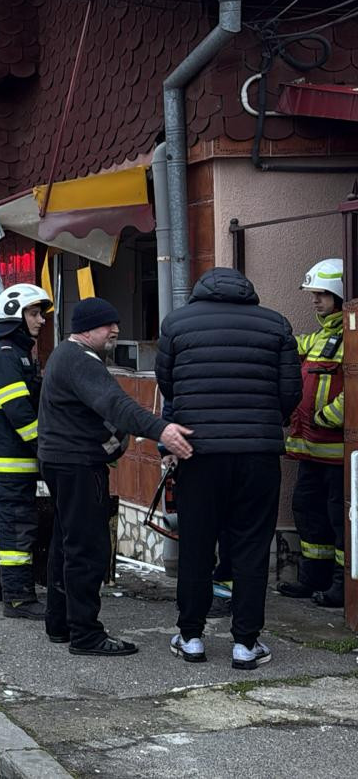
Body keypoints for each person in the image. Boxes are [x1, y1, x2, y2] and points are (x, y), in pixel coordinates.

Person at [157, 268, 300, 670]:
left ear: (200, 291)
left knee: (197, 546)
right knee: (251, 547)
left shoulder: (177, 323)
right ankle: (245, 644)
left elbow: (168, 385)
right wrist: (265, 420)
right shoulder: (275, 324)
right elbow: (290, 391)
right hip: (258, 453)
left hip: (198, 452)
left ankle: (191, 638)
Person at [39, 298, 194, 656]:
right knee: (87, 549)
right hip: (78, 466)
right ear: (86, 329)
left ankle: (61, 623)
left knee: (66, 543)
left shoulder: (65, 355)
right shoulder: (80, 360)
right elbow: (116, 405)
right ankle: (86, 635)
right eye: (108, 325)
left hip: (61, 462)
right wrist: (162, 430)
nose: (115, 331)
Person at [0, 284, 52, 619]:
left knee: (0, 523)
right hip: (13, 460)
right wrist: (45, 448)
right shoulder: (7, 355)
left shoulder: (11, 352)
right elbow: (20, 414)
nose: (41, 320)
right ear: (15, 316)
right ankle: (19, 598)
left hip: (7, 457)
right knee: (17, 527)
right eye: (34, 314)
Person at [281, 258, 348, 609]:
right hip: (311, 451)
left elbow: (354, 391)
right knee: (308, 512)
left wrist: (327, 417)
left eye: (321, 294)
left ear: (340, 295)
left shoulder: (352, 337)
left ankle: (342, 586)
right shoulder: (322, 336)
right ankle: (313, 578)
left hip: (338, 453)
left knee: (339, 520)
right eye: (313, 294)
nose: (315, 300)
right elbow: (292, 346)